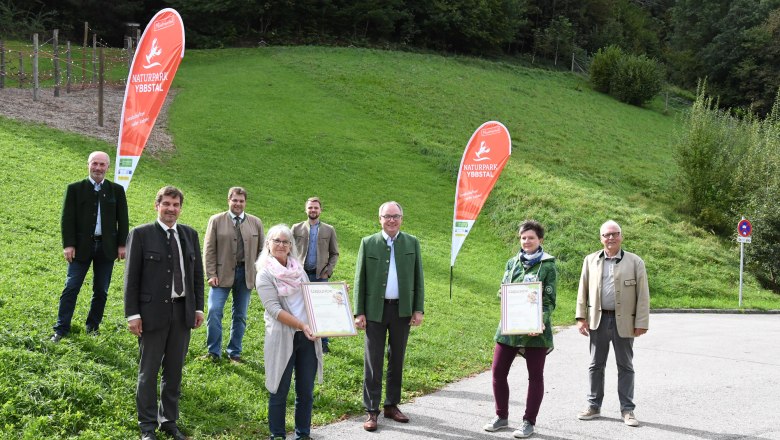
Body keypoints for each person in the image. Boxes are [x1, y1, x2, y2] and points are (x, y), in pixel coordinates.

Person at [124, 186, 205, 440]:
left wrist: (198, 307)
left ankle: (168, 420)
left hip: (182, 313)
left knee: (174, 371)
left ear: (181, 208)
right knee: (148, 373)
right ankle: (147, 426)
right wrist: (132, 314)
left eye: (176, 204)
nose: (171, 209)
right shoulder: (140, 234)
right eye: (166, 204)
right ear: (156, 205)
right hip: (151, 315)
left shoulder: (190, 235)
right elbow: (131, 279)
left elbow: (196, 276)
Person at [353, 201, 424, 432]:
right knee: (373, 360)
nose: (391, 220)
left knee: (397, 358)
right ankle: (371, 410)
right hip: (374, 310)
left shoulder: (412, 242)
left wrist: (418, 309)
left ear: (402, 218)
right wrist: (359, 311)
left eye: (396, 216)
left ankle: (391, 405)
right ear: (380, 218)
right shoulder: (368, 242)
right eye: (387, 216)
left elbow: (418, 278)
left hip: (401, 310)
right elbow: (359, 279)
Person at [483, 220, 557, 438]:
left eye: (531, 238)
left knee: (535, 377)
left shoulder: (549, 265)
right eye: (523, 238)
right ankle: (501, 417)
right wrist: (505, 295)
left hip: (536, 332)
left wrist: (540, 321)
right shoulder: (512, 263)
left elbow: (550, 300)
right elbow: (502, 290)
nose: (526, 241)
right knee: (498, 372)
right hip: (510, 328)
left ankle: (528, 422)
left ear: (540, 240)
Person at [575, 220, 649, 427]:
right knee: (595, 365)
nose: (610, 238)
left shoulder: (635, 262)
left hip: (624, 322)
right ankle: (593, 405)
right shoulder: (590, 260)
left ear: (621, 236)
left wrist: (641, 322)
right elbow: (583, 290)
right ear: (601, 238)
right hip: (598, 321)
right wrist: (581, 318)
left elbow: (643, 295)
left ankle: (628, 410)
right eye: (606, 235)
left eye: (614, 234)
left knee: (625, 366)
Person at [51, 151, 129, 342]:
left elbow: (123, 220)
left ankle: (92, 326)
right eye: (95, 164)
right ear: (88, 165)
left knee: (101, 290)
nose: (98, 168)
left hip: (107, 247)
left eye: (102, 165)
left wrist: (122, 244)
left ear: (107, 168)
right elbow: (66, 219)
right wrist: (68, 245)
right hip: (80, 247)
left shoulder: (116, 191)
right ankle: (61, 329)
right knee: (71, 287)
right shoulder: (75, 189)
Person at [255, 224, 323, 440]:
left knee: (305, 391)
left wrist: (333, 296)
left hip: (308, 338)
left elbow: (311, 298)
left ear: (291, 245)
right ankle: (277, 435)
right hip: (283, 338)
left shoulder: (298, 269)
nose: (281, 245)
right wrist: (301, 325)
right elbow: (274, 310)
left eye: (286, 241)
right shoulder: (265, 274)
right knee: (279, 390)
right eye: (277, 240)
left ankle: (303, 434)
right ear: (268, 244)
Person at [202, 187, 264, 363]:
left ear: (245, 202)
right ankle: (213, 351)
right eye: (235, 200)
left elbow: (262, 251)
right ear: (229, 200)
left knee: (241, 315)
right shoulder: (216, 220)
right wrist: (211, 273)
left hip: (246, 275)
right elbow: (209, 249)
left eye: (241, 201)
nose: (238, 204)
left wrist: (259, 274)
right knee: (214, 311)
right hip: (220, 275)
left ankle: (234, 352)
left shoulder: (256, 222)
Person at [292, 196, 339, 353]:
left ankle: (323, 342)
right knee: (299, 306)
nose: (313, 210)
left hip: (320, 275)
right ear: (306, 209)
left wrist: (328, 270)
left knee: (322, 309)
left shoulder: (329, 230)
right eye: (310, 207)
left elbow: (334, 253)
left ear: (320, 210)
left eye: (316, 208)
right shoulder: (296, 228)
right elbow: (289, 250)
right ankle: (299, 337)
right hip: (300, 275)